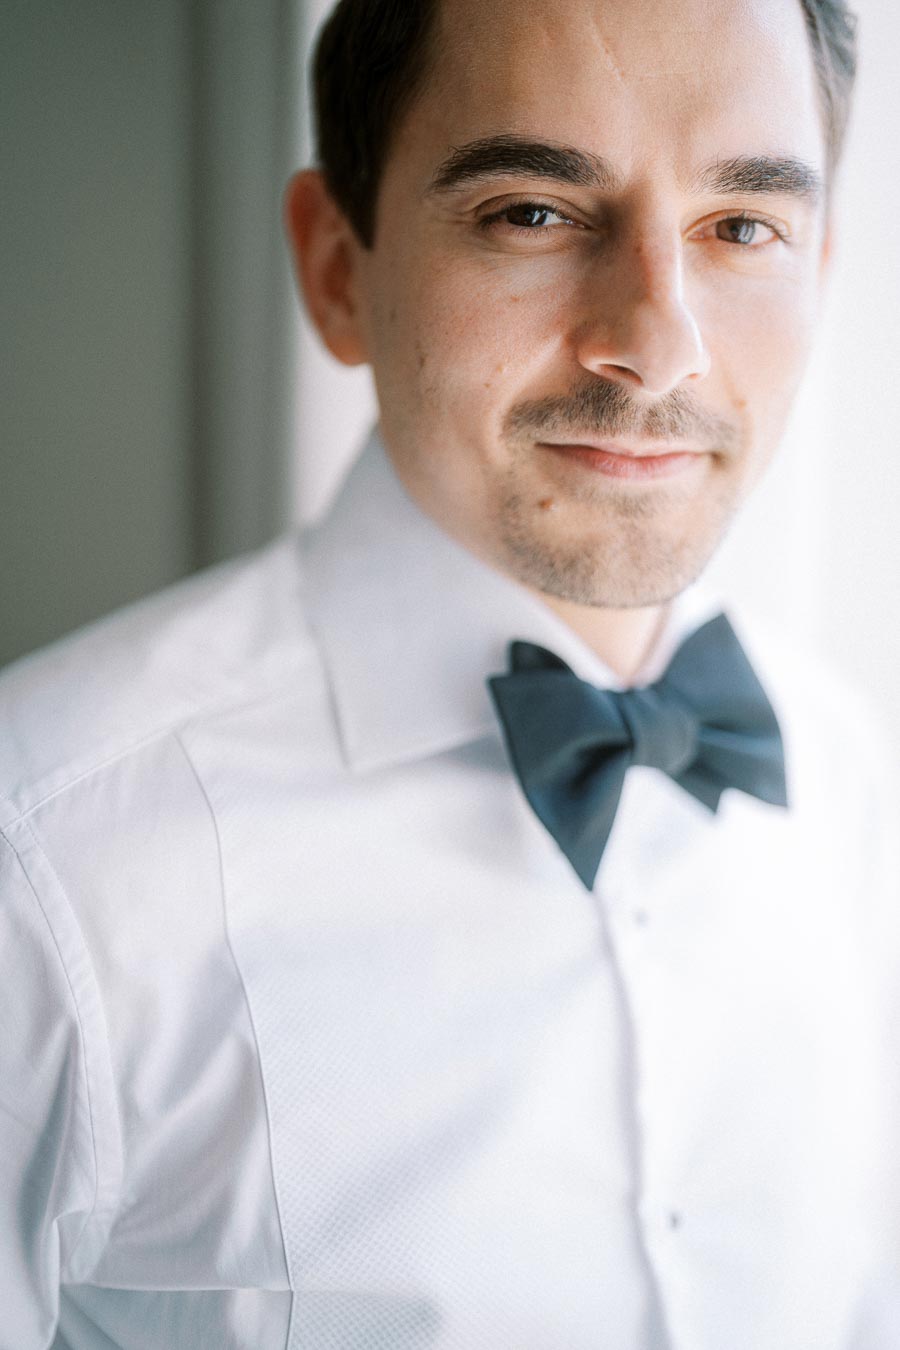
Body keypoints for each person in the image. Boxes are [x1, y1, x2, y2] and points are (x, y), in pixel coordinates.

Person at [1, 0, 898, 1346]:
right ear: (337, 269)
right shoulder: (46, 865)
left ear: (820, 269)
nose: (660, 342)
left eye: (742, 226)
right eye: (533, 212)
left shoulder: (860, 790)